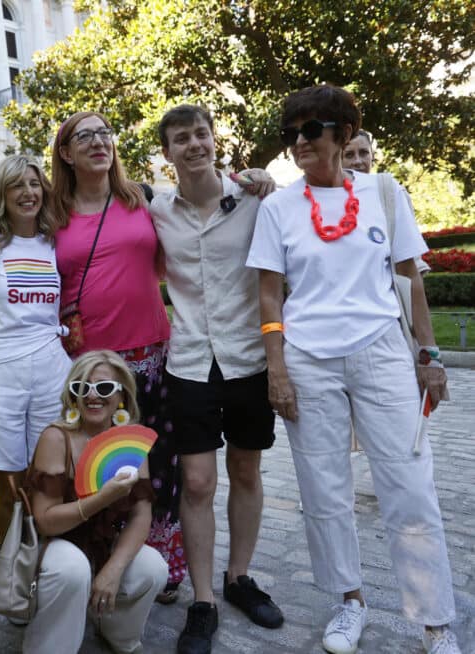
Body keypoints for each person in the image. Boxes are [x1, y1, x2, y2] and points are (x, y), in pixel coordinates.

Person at [246, 84, 460, 654]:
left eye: (311, 130)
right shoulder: (277, 208)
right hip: (308, 361)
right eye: (291, 134)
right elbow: (270, 296)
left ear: (343, 133)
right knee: (323, 489)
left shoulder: (385, 193)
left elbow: (412, 280)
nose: (299, 143)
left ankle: (436, 621)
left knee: (409, 485)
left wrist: (430, 356)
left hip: (381, 351)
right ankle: (349, 601)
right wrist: (277, 369)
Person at [151, 104, 283, 654]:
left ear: (214, 139)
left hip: (248, 358)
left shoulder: (255, 200)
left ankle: (239, 578)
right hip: (188, 363)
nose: (193, 145)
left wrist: (265, 180)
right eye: (180, 139)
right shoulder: (155, 208)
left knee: (247, 470)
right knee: (199, 482)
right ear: (168, 153)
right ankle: (203, 600)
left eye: (200, 134)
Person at [50, 110, 186, 600]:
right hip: (89, 367)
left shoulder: (141, 199)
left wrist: (248, 179)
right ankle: (99, 558)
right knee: (94, 468)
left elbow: (203, 201)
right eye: (84, 136)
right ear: (66, 153)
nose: (97, 142)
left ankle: (163, 564)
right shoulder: (52, 212)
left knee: (159, 464)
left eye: (104, 133)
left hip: (151, 355)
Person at [24, 349, 169, 653]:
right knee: (72, 569)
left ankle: (118, 632)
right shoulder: (56, 437)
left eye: (104, 388)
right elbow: (46, 520)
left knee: (153, 567)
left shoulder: (128, 440)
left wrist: (113, 570)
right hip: (57, 544)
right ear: (72, 396)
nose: (93, 396)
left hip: (105, 544)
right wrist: (103, 498)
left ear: (121, 398)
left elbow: (141, 516)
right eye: (82, 388)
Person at [0, 154, 72, 542]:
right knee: (7, 483)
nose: (28, 193)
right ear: (1, 194)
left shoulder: (54, 242)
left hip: (50, 370)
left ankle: (44, 566)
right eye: (17, 185)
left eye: (34, 183)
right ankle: (5, 575)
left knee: (45, 477)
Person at [342, 129, 432, 276]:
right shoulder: (327, 198)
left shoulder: (391, 192)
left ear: (372, 156)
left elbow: (411, 262)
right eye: (349, 155)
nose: (358, 161)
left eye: (364, 153)